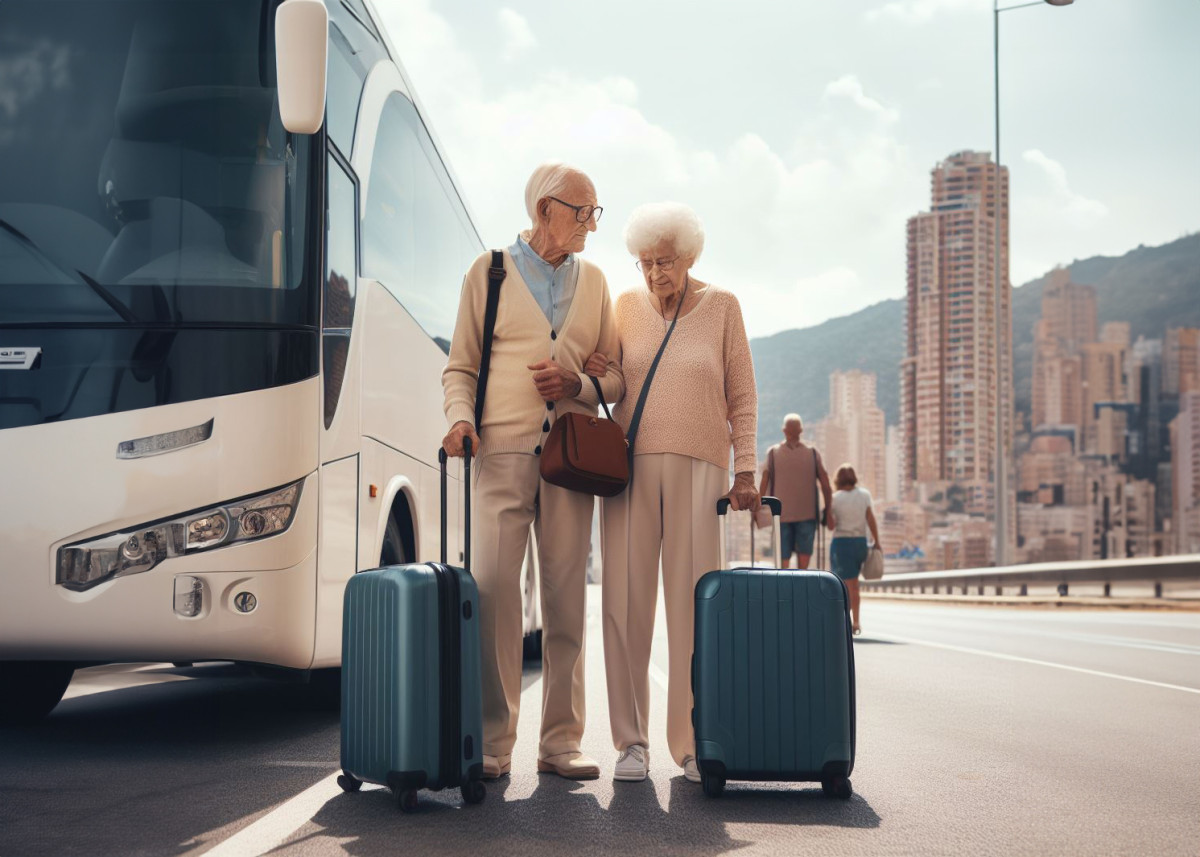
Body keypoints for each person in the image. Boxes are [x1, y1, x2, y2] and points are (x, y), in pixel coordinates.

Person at [441, 162, 623, 781]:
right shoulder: (488, 271)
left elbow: (616, 379)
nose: (591, 226)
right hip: (500, 452)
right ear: (546, 209)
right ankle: (493, 743)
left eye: (596, 213)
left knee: (566, 601)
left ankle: (561, 742)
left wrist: (581, 381)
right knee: (492, 597)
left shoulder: (596, 282)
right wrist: (461, 418)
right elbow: (460, 366)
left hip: (571, 460)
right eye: (584, 212)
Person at [598, 201, 759, 784]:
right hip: (631, 467)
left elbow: (741, 394)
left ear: (689, 257)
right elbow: (614, 381)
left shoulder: (722, 307)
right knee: (623, 603)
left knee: (694, 606)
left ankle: (692, 742)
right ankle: (630, 743)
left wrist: (746, 471)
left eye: (664, 261)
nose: (653, 274)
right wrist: (598, 373)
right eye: (643, 262)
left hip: (701, 468)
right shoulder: (622, 307)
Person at [758, 414, 834, 568]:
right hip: (806, 516)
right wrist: (829, 512)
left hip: (781, 517)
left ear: (783, 430)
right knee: (803, 569)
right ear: (801, 431)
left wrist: (757, 509)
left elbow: (764, 481)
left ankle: (785, 591)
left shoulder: (773, 453)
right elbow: (826, 485)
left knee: (782, 566)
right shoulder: (813, 453)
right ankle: (800, 591)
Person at [828, 464, 881, 636]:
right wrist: (877, 541)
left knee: (843, 586)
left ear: (838, 480)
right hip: (860, 543)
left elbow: (831, 525)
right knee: (855, 586)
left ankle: (846, 621)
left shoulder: (835, 498)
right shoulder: (864, 495)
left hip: (842, 544)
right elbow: (871, 519)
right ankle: (856, 621)